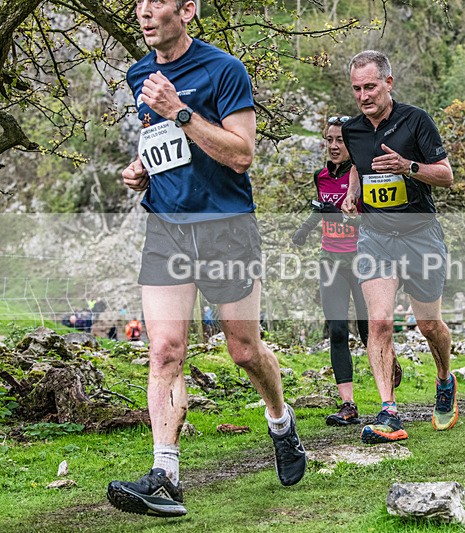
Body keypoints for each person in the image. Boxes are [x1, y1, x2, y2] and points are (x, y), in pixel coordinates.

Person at [107, 0, 305, 517]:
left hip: (226, 231)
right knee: (167, 348)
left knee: (244, 351)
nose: (144, 13)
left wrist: (180, 110)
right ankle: (164, 475)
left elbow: (241, 154)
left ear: (188, 10)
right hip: (166, 229)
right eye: (138, 4)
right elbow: (166, 146)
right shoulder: (138, 75)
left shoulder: (225, 70)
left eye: (157, 3)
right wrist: (141, 170)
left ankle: (281, 421)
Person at [340, 50, 457, 444]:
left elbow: (446, 175)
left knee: (428, 325)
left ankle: (444, 379)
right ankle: (389, 411)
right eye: (356, 88)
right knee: (380, 322)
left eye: (370, 86)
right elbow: (358, 164)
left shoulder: (417, 120)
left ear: (388, 83)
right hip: (375, 237)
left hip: (420, 234)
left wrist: (408, 167)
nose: (362, 95)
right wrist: (353, 192)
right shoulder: (352, 130)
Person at [291, 115, 402, 427]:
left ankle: (388, 400)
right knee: (337, 331)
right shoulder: (321, 176)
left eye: (340, 140)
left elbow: (369, 217)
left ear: (351, 143)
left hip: (363, 260)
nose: (334, 145)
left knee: (372, 331)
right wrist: (305, 230)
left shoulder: (365, 175)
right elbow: (321, 209)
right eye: (329, 140)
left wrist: (335, 214)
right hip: (331, 262)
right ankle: (348, 405)